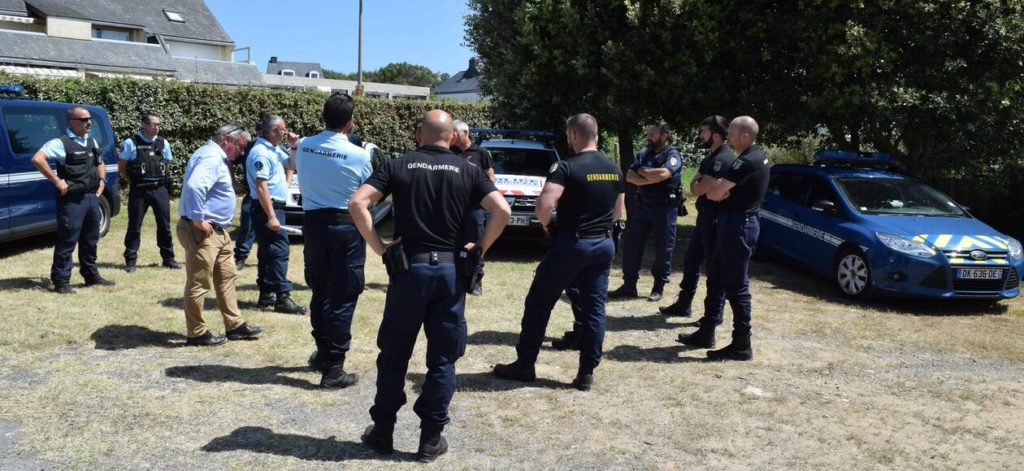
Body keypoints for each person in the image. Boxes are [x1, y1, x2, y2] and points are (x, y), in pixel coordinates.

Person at [351, 110, 510, 462]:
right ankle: (430, 439)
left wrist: (379, 248)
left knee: (394, 355)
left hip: (409, 272)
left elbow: (357, 203)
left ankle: (383, 431)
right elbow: (502, 211)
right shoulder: (469, 170)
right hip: (450, 274)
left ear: (418, 133)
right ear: (452, 136)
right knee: (442, 359)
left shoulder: (398, 165)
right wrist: (481, 247)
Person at [493, 113, 625, 391]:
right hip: (603, 244)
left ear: (574, 135)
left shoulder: (565, 166)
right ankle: (587, 372)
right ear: (596, 136)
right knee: (594, 309)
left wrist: (547, 226)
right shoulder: (614, 168)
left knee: (539, 302)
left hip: (571, 243)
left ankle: (525, 364)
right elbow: (618, 212)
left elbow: (544, 206)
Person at [295, 93, 373, 389]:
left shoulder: (304, 146)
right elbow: (369, 191)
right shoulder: (359, 154)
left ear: (322, 118)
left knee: (320, 290)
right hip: (345, 225)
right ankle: (334, 368)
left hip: (313, 224)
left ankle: (323, 353)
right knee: (343, 296)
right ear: (351, 121)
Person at [678, 116, 769, 361]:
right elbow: (714, 191)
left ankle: (741, 344)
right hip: (733, 224)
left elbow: (714, 193)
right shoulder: (752, 157)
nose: (728, 137)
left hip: (739, 226)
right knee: (716, 277)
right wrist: (720, 191)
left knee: (737, 287)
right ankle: (707, 331)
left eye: (733, 133)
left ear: (745, 136)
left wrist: (721, 191)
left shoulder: (748, 161)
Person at [177, 124, 264, 346]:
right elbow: (196, 186)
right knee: (199, 282)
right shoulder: (212, 157)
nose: (242, 152)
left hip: (218, 231)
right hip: (204, 230)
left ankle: (234, 325)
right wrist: (199, 219)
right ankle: (196, 333)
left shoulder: (213, 155)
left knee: (227, 277)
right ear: (227, 140)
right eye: (241, 146)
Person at [30, 105, 115, 294]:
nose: (89, 122)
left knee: (91, 239)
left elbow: (100, 163)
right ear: (72, 122)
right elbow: (37, 159)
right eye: (84, 120)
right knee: (67, 240)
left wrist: (102, 180)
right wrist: (57, 181)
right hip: (72, 200)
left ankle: (91, 276)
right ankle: (61, 281)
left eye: (89, 119)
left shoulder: (91, 141)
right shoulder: (61, 143)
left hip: (92, 198)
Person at [660, 116, 735, 318]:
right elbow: (695, 185)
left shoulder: (723, 158)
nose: (701, 136)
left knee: (714, 267)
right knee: (691, 261)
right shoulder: (711, 156)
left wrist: (699, 184)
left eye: (704, 132)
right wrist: (699, 183)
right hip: (704, 217)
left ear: (716, 135)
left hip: (716, 219)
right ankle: (684, 304)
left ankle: (714, 314)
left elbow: (698, 188)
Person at [608, 121, 683, 302]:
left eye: (652, 134)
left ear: (664, 136)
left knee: (664, 247)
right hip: (643, 206)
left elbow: (664, 174)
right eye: (648, 134)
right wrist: (650, 177)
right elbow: (630, 176)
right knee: (631, 243)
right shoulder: (643, 154)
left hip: (665, 208)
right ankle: (629, 285)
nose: (648, 137)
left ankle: (658, 287)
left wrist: (644, 174)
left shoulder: (672, 155)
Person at [246, 115, 305, 315]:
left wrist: (294, 147)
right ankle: (282, 296)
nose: (285, 132)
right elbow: (261, 186)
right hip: (268, 207)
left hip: (273, 207)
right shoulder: (261, 153)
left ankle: (266, 293)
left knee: (268, 251)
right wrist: (271, 215)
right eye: (282, 129)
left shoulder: (273, 150)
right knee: (279, 250)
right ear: (271, 131)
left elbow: (291, 165)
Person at [119, 112, 180, 272]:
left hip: (159, 188)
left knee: (165, 226)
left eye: (159, 124)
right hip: (139, 190)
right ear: (143, 125)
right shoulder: (131, 143)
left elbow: (167, 164)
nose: (157, 127)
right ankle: (130, 260)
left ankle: (168, 258)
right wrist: (132, 180)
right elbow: (122, 166)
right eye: (154, 124)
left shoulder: (163, 142)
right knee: (134, 226)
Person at [452, 120, 495, 295]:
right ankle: (455, 279)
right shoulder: (449, 152)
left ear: (465, 132)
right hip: (453, 208)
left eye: (455, 132)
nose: (452, 136)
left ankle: (476, 282)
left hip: (474, 209)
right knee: (453, 244)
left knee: (477, 244)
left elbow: (490, 178)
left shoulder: (481, 152)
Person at [232, 120, 262, 271]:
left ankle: (267, 259)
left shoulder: (278, 148)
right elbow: (229, 160)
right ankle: (240, 257)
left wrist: (288, 182)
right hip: (252, 193)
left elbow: (290, 164)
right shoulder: (249, 147)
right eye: (261, 131)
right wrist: (233, 182)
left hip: (272, 196)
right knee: (247, 226)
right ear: (257, 132)